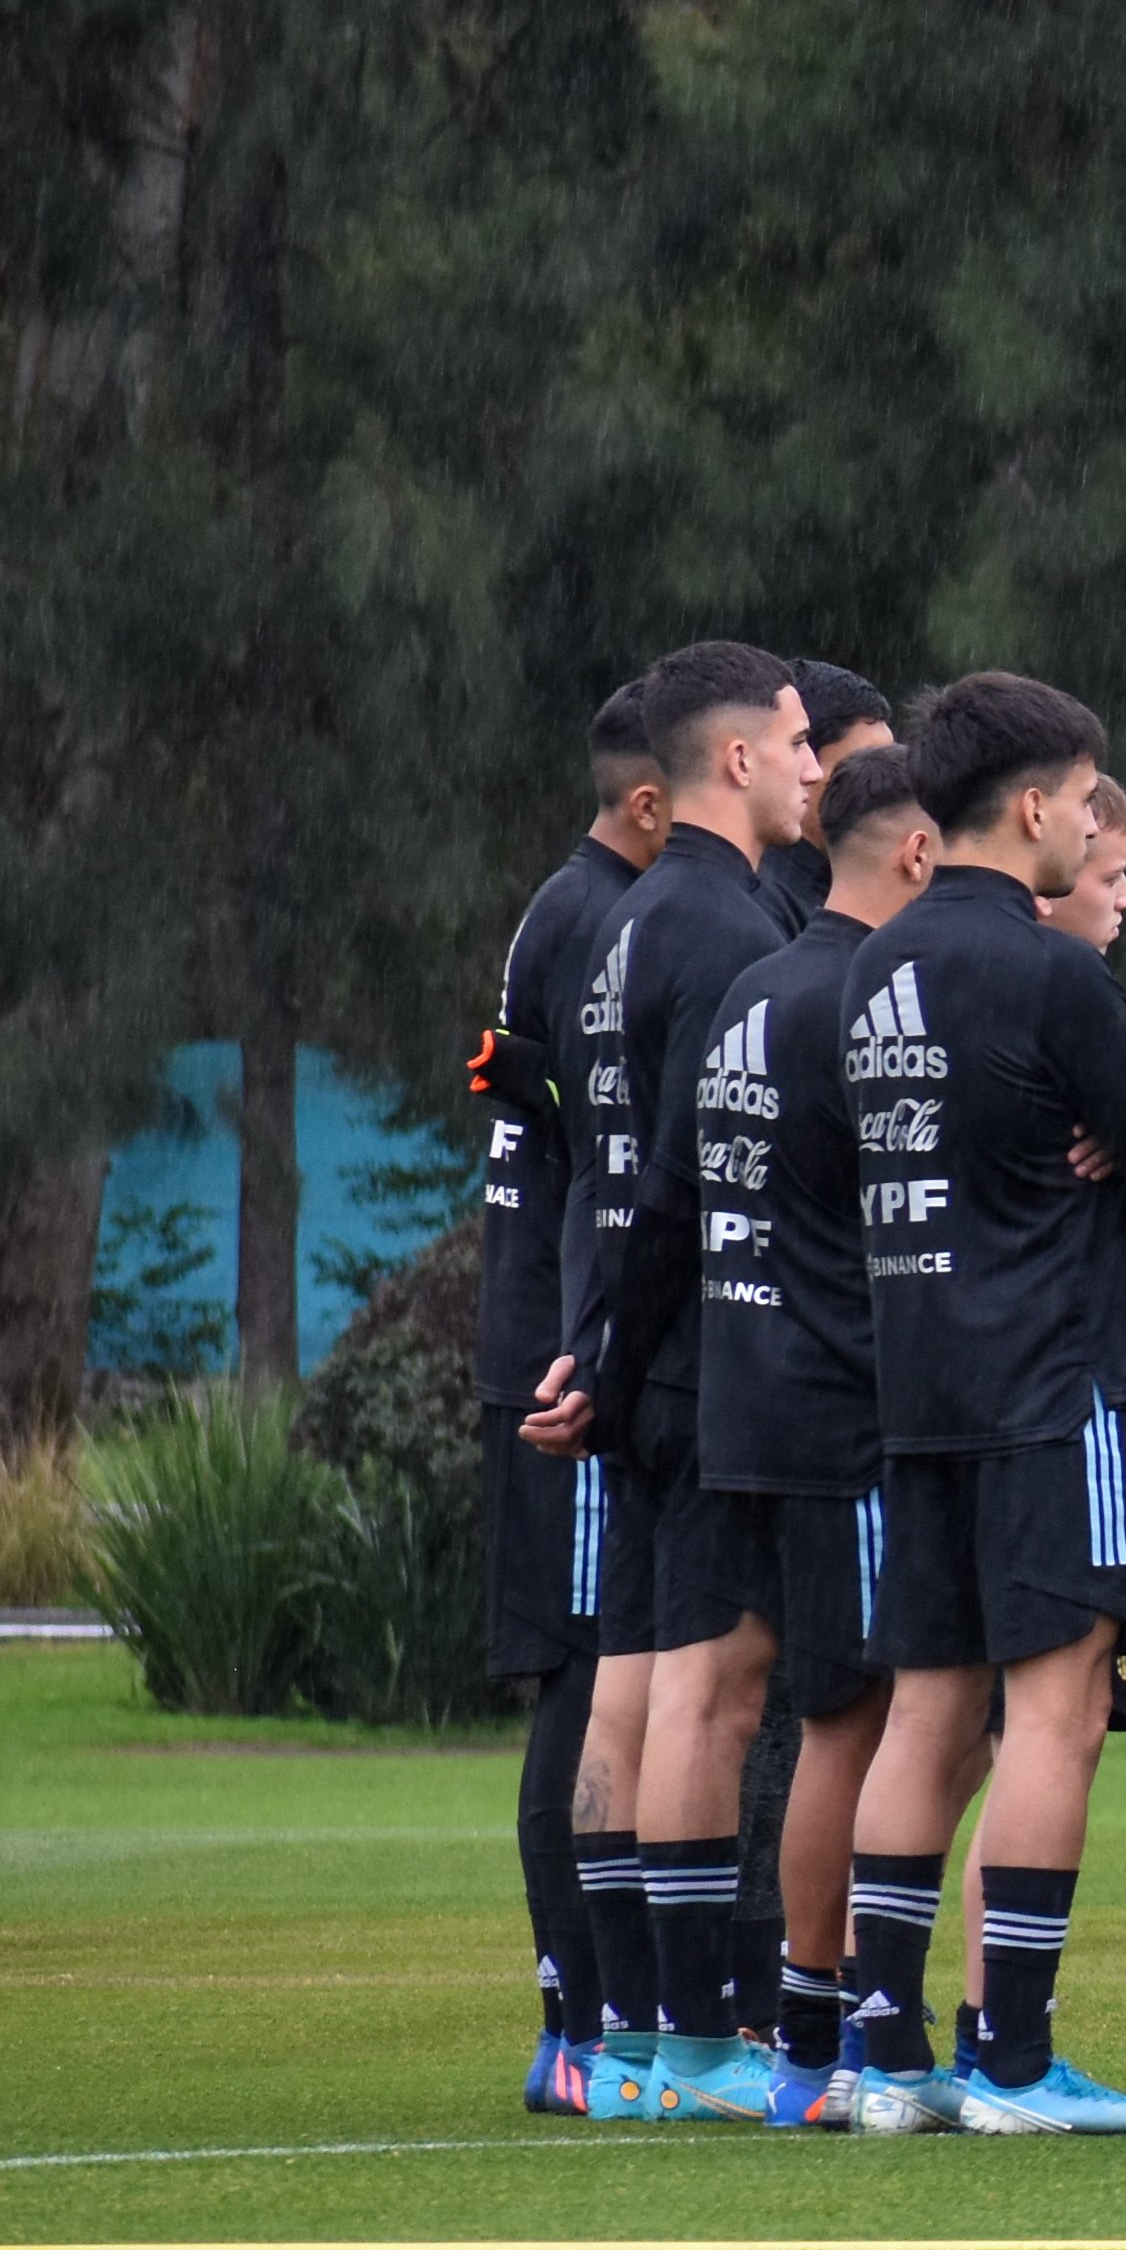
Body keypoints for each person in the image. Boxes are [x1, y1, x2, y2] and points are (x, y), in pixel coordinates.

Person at [833, 671, 1126, 2135]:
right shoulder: (1055, 974)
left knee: (926, 1713)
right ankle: (1011, 2058)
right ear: (1042, 805)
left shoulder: (874, 965)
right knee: (1054, 1721)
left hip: (916, 1383)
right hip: (1054, 1384)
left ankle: (887, 2055)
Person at [534, 640, 823, 2121]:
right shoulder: (726, 937)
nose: (815, 764)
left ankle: (630, 2030)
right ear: (735, 763)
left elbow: (610, 1177)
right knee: (710, 1695)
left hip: (638, 1360)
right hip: (706, 1359)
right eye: (796, 743)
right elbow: (679, 1186)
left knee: (639, 1688)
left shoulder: (625, 924)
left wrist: (595, 1354)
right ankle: (698, 2038)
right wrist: (632, 1352)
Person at [707, 743, 940, 2126]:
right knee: (848, 1720)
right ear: (918, 853)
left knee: (811, 1712)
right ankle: (825, 2034)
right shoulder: (858, 997)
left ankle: (801, 2024)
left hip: (751, 1392)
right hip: (840, 1407)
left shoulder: (760, 984)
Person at [480, 681, 664, 2113]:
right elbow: (588, 1145)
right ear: (655, 801)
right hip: (566, 1355)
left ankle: (594, 2018)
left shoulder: (572, 910)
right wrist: (593, 1350)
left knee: (602, 1671)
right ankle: (580, 2017)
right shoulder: (600, 920)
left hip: (563, 1339)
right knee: (589, 1676)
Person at [765, 662, 895, 920]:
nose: (891, 787)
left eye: (892, 765)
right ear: (803, 764)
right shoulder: (769, 904)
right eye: (865, 768)